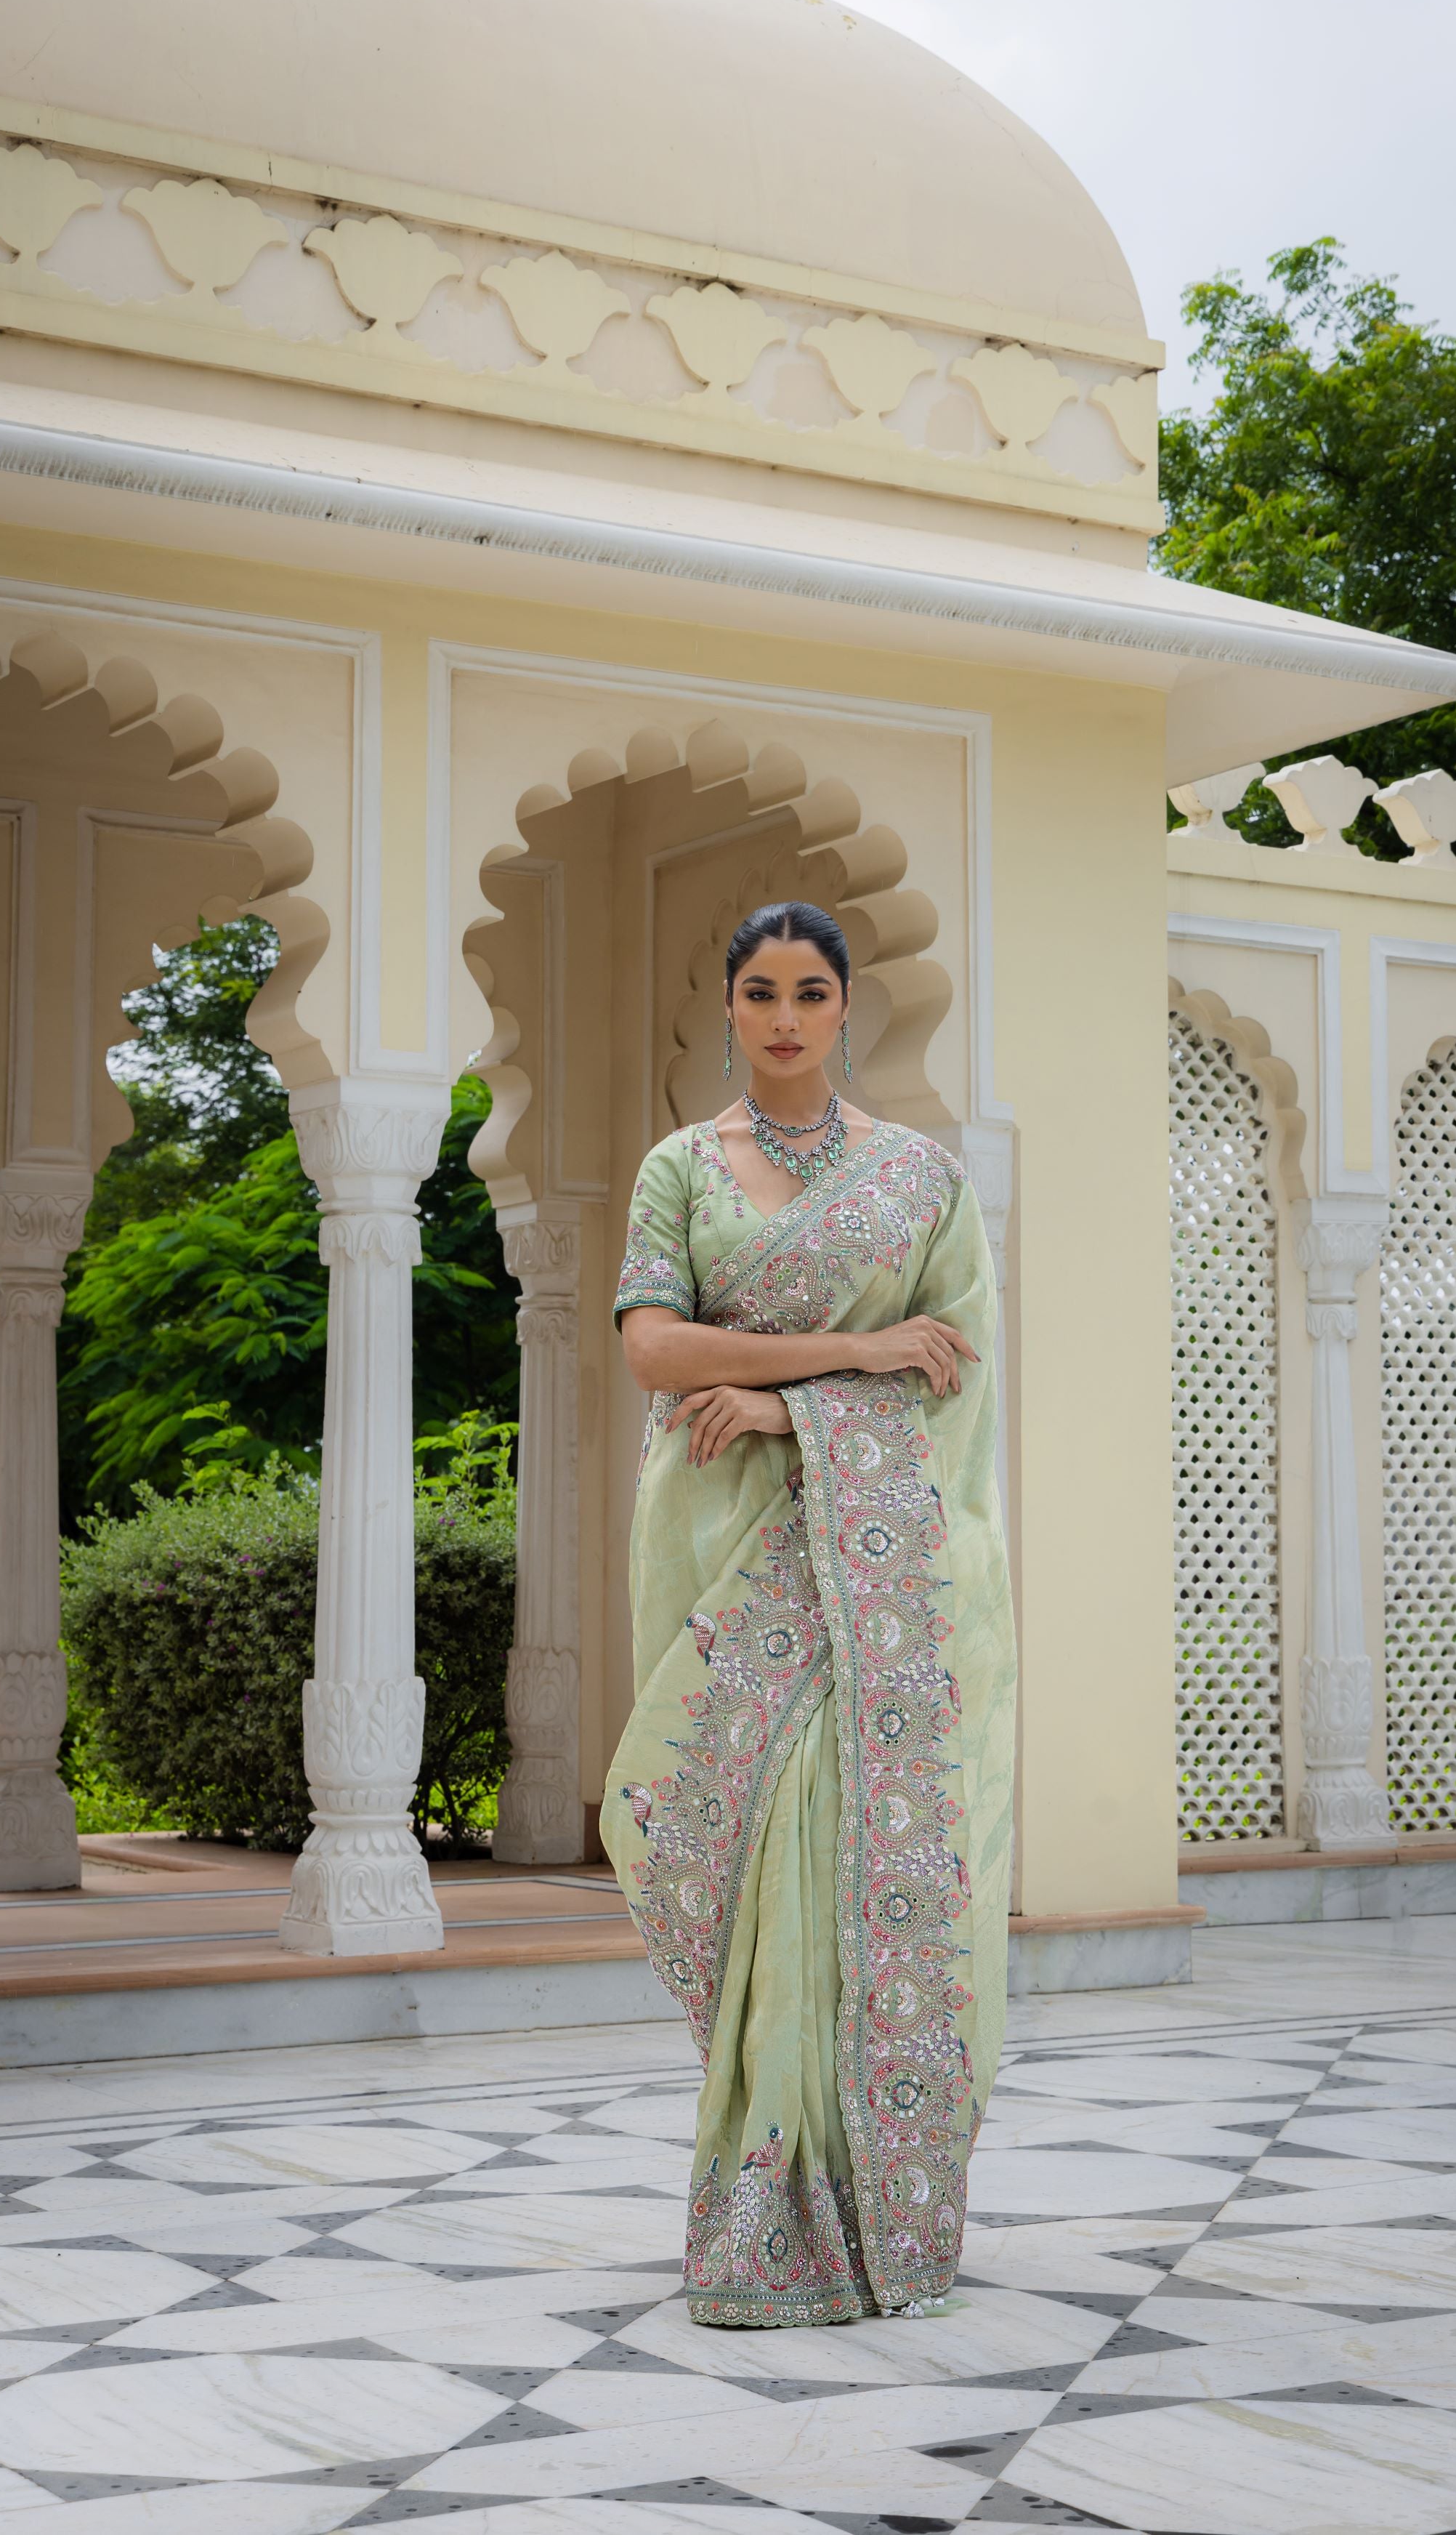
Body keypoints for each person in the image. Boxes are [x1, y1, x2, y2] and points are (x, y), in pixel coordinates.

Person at [602, 900, 1015, 2329]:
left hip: (874, 1567)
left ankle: (862, 2198)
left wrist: (784, 1403)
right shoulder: (677, 1170)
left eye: (813, 992)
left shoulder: (919, 1182)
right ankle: (766, 2193)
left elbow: (953, 1370)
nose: (785, 1015)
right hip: (718, 1541)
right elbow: (655, 1347)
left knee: (843, 1855)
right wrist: (843, 1350)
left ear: (849, 1013)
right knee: (721, 1855)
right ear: (730, 1007)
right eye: (762, 991)